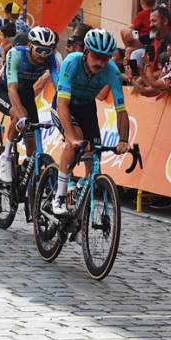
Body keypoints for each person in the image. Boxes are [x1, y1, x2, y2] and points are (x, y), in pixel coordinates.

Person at [51, 29, 130, 224]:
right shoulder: (72, 62)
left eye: (106, 58)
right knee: (76, 140)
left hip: (87, 108)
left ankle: (78, 218)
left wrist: (123, 140)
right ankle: (60, 196)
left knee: (94, 163)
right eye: (96, 57)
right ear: (86, 51)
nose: (100, 63)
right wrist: (73, 139)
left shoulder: (113, 71)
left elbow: (121, 110)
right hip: (65, 105)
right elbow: (62, 105)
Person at [0, 26, 60, 183]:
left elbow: (60, 90)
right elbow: (12, 90)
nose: (43, 55)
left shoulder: (52, 58)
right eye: (39, 50)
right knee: (18, 115)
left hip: (27, 94)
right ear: (30, 46)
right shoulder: (16, 54)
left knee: (32, 145)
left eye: (47, 50)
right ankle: (6, 156)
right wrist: (22, 116)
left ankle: (24, 170)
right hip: (5, 91)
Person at [121, 6, 171, 72]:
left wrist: (140, 80)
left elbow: (164, 71)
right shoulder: (152, 37)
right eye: (150, 22)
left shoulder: (170, 42)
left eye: (154, 21)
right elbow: (129, 42)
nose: (150, 25)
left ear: (165, 21)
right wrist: (123, 30)